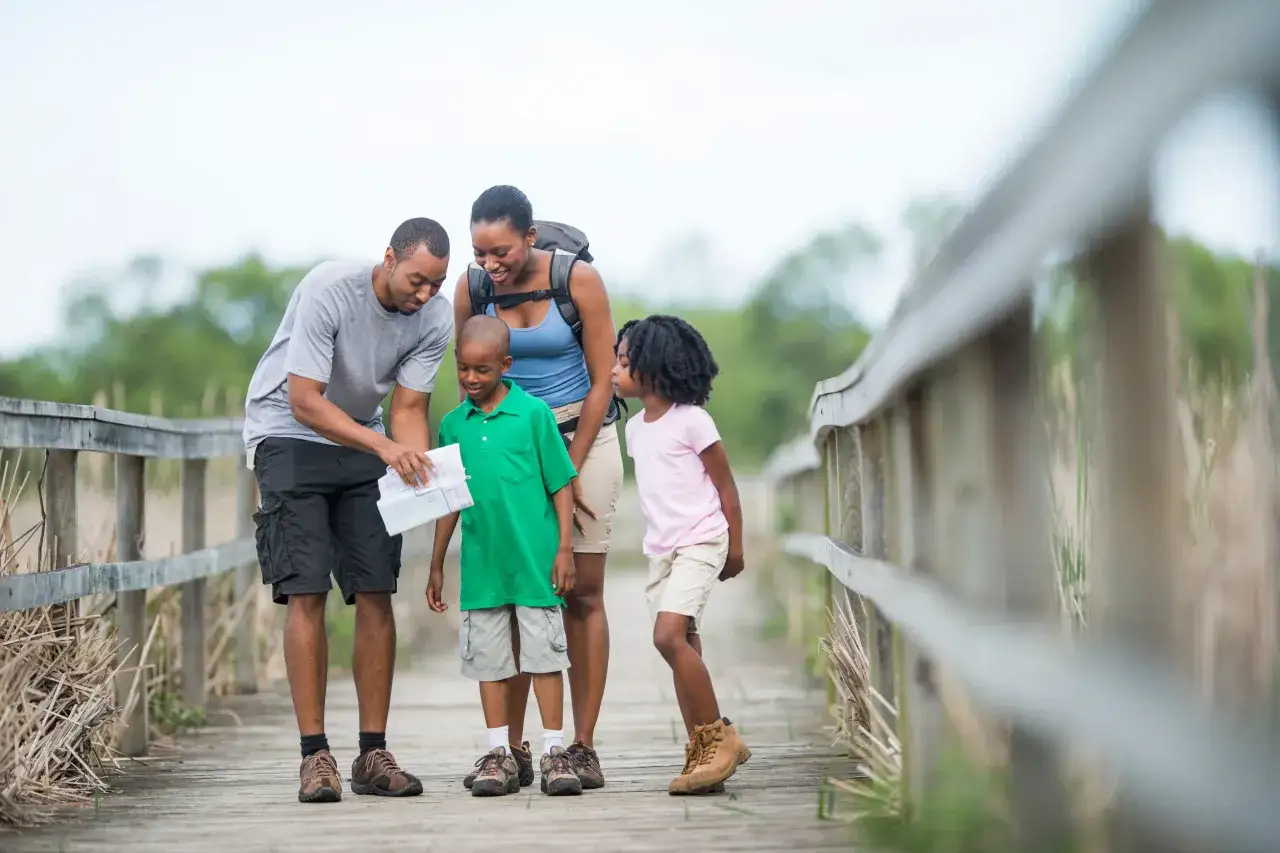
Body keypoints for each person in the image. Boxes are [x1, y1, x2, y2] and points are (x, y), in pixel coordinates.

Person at [242, 217, 453, 804]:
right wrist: (385, 448)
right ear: (388, 258)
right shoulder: (329, 289)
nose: (424, 295)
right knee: (306, 589)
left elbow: (408, 409)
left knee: (376, 585)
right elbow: (304, 400)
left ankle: (371, 754)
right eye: (416, 280)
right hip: (288, 434)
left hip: (362, 435)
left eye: (436, 284)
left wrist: (417, 469)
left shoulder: (435, 317)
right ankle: (315, 757)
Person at [452, 185, 622, 788]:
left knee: (582, 593)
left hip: (584, 437)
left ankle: (581, 746)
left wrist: (564, 474)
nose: (490, 264)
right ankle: (515, 750)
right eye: (480, 253)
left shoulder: (578, 282)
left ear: (529, 237)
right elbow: (468, 377)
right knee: (517, 590)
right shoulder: (473, 290)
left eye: (500, 251)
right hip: (513, 447)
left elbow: (603, 382)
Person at [426, 314, 583, 798]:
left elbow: (561, 485)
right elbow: (448, 501)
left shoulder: (534, 415)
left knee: (545, 657)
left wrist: (564, 549)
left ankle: (554, 751)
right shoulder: (452, 425)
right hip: (483, 568)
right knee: (490, 663)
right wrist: (436, 563)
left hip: (535, 563)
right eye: (464, 369)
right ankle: (499, 754)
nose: (472, 379)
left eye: (483, 370)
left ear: (506, 365)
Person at [610, 314, 751, 795]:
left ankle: (721, 737)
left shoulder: (693, 420)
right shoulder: (635, 429)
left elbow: (726, 487)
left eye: (623, 362)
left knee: (667, 636)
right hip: (662, 551)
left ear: (652, 367)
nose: (614, 370)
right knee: (684, 644)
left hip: (702, 539)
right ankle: (703, 751)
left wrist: (736, 546)